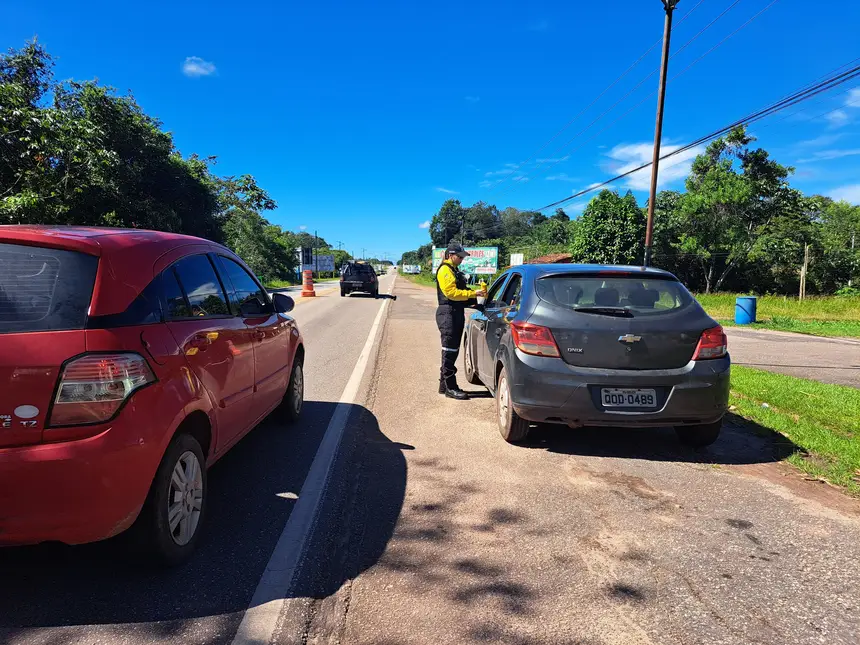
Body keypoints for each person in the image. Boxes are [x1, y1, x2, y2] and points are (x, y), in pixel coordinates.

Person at [435, 243, 487, 400]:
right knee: (449, 351)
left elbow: (459, 295)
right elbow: (451, 293)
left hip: (455, 313)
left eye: (463, 257)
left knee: (452, 350)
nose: (462, 259)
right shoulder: (445, 270)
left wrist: (474, 301)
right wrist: (473, 292)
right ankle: (451, 387)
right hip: (448, 314)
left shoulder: (453, 270)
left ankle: (444, 385)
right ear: (451, 255)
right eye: (460, 256)